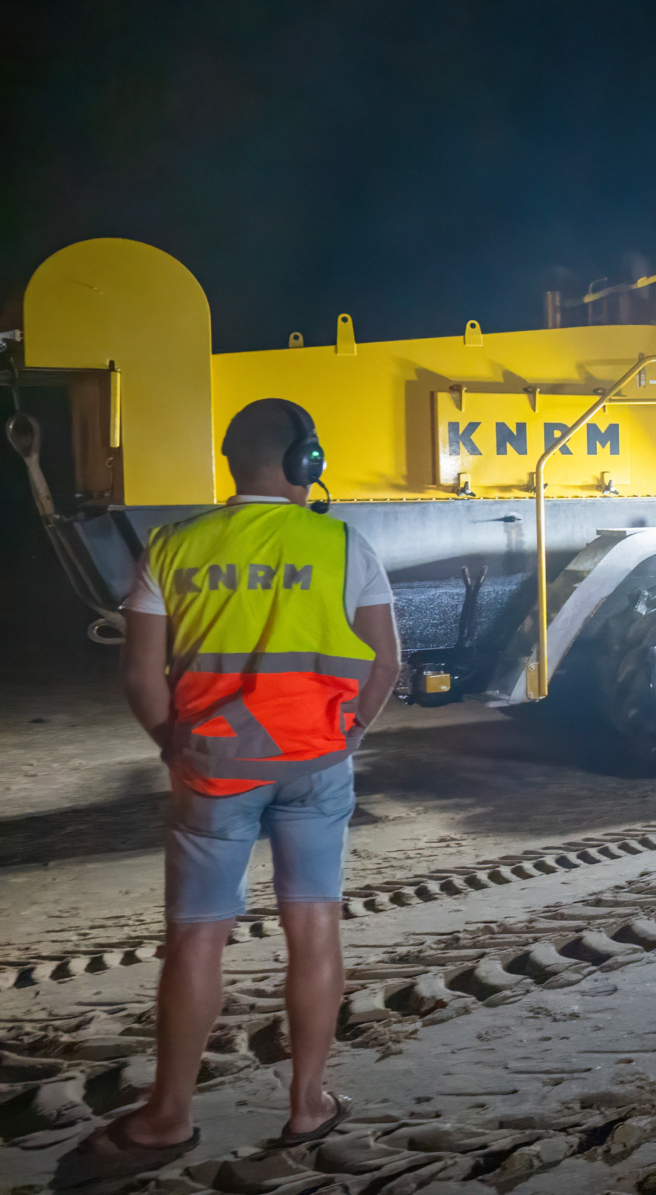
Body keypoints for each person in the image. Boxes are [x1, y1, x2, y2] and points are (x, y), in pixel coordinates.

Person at [74, 399, 400, 1177]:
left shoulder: (174, 546)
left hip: (212, 772)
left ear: (231, 461)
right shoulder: (342, 544)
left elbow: (140, 675)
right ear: (306, 463)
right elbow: (386, 663)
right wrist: (347, 737)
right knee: (313, 928)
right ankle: (307, 1104)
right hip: (316, 768)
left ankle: (167, 1116)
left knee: (195, 938)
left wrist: (175, 748)